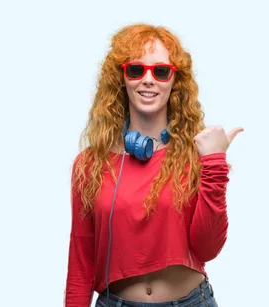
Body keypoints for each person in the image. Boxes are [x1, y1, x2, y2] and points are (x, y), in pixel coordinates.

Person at [64, 23, 243, 307]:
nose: (148, 80)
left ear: (174, 81)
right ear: (121, 78)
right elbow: (81, 260)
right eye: (136, 70)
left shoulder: (196, 155)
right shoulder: (90, 165)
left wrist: (214, 164)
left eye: (161, 71)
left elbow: (208, 248)